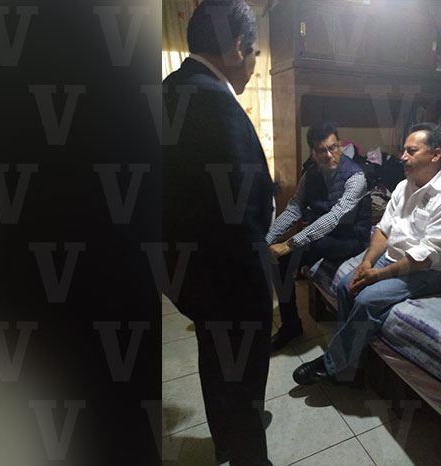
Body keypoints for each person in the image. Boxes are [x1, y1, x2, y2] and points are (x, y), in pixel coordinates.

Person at [162, 1, 274, 464]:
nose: (254, 64)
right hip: (230, 281)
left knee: (214, 359)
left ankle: (226, 436)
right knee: (244, 377)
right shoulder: (213, 102)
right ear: (238, 46)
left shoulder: (170, 89)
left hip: (190, 275)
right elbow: (235, 214)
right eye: (255, 52)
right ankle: (247, 451)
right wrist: (259, 284)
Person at [293, 123, 441, 385]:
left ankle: (334, 365)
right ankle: (355, 363)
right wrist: (366, 263)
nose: (402, 156)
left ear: (435, 155)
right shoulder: (404, 186)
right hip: (394, 257)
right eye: (404, 150)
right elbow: (383, 230)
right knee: (346, 286)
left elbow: (425, 257)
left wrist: (377, 276)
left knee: (367, 299)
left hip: (431, 270)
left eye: (411, 151)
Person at [266, 121, 371, 351]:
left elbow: (334, 218)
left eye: (333, 147)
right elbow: (295, 207)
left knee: (299, 249)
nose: (329, 155)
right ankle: (291, 326)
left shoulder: (356, 177)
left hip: (350, 238)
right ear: (313, 152)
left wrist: (291, 244)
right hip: (323, 233)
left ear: (340, 145)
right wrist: (267, 239)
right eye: (322, 150)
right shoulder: (311, 173)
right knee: (280, 261)